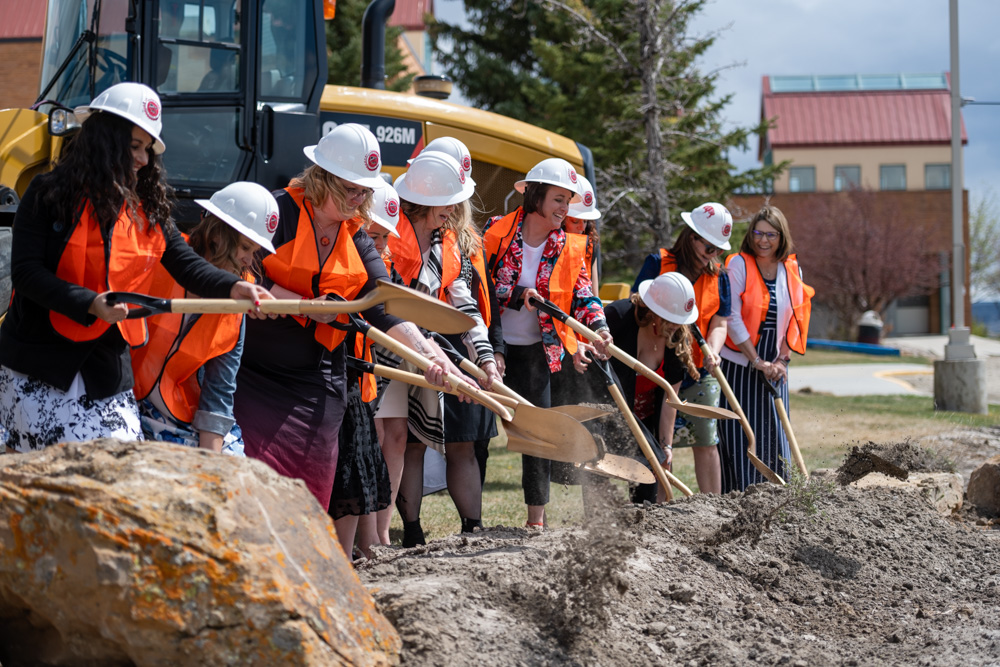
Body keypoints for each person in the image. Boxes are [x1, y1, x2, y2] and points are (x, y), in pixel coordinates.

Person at [0, 82, 270, 452]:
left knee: (115, 466)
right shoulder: (46, 193)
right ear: (104, 141)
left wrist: (232, 287)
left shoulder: (148, 209)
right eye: (134, 147)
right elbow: (27, 274)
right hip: (36, 363)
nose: (143, 159)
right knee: (41, 484)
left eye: (148, 150)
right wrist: (90, 303)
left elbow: (186, 263)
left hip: (105, 366)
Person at [232, 123, 467, 510]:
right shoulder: (279, 212)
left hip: (319, 377)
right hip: (258, 376)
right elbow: (243, 271)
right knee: (260, 478)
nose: (358, 198)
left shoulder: (357, 235)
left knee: (315, 479)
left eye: (364, 190)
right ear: (322, 176)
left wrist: (431, 356)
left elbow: (383, 303)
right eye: (350, 188)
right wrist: (308, 307)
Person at [377, 150, 498, 547]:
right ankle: (386, 532)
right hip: (381, 347)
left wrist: (484, 360)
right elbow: (390, 302)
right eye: (448, 203)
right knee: (383, 437)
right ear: (426, 200)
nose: (455, 210)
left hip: (421, 349)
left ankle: (380, 534)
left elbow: (466, 308)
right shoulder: (392, 233)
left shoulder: (446, 243)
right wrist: (434, 355)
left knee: (397, 436)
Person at [484, 157, 610, 529]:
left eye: (567, 200)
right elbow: (479, 287)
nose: (565, 208)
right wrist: (515, 294)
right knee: (477, 436)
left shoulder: (569, 246)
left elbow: (584, 294)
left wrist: (599, 326)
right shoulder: (497, 232)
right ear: (536, 196)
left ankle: (535, 521)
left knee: (536, 435)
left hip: (539, 350)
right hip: (493, 347)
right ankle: (471, 520)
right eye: (558, 199)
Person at [131, 182, 280, 456]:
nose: (249, 261)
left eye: (255, 251)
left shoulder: (241, 295)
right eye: (246, 247)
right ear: (217, 233)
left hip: (183, 415)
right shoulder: (160, 259)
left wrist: (210, 461)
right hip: (128, 401)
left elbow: (220, 387)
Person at [631, 202, 733, 495]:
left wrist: (713, 349)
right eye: (708, 247)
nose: (712, 255)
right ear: (692, 236)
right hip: (660, 367)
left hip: (700, 370)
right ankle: (663, 506)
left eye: (718, 249)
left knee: (706, 437)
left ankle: (712, 504)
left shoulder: (719, 276)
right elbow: (638, 306)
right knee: (663, 441)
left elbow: (720, 322)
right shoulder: (658, 263)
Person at [718, 205, 813, 492]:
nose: (763, 241)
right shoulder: (738, 264)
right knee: (742, 436)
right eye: (758, 233)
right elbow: (731, 316)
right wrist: (756, 360)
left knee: (775, 433)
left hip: (776, 366)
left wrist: (782, 361)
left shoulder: (791, 268)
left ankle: (778, 494)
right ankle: (741, 495)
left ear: (781, 237)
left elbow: (797, 316)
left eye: (771, 235)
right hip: (738, 364)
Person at [330, 183, 399, 561]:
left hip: (361, 377)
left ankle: (368, 544)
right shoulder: (341, 255)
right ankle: (353, 549)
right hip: (334, 371)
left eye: (385, 239)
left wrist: (438, 356)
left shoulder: (381, 267)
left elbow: (407, 317)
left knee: (361, 460)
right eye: (374, 236)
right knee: (345, 465)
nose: (381, 247)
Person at [606, 273, 701, 503]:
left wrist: (666, 445)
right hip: (608, 412)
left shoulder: (677, 341)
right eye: (670, 319)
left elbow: (671, 400)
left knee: (651, 470)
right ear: (652, 310)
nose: (676, 326)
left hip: (645, 419)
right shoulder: (618, 317)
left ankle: (645, 525)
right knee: (598, 470)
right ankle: (599, 527)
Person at [562, 174, 601, 283]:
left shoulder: (590, 246)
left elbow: (594, 294)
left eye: (585, 221)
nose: (582, 228)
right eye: (575, 221)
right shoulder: (547, 243)